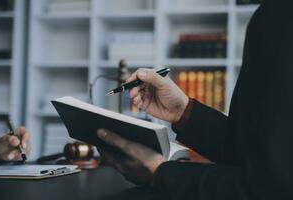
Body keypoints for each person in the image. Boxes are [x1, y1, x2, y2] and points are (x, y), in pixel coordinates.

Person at [96, 0, 293, 199]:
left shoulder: (280, 13)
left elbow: (271, 187)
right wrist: (184, 111)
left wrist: (159, 172)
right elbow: (258, 152)